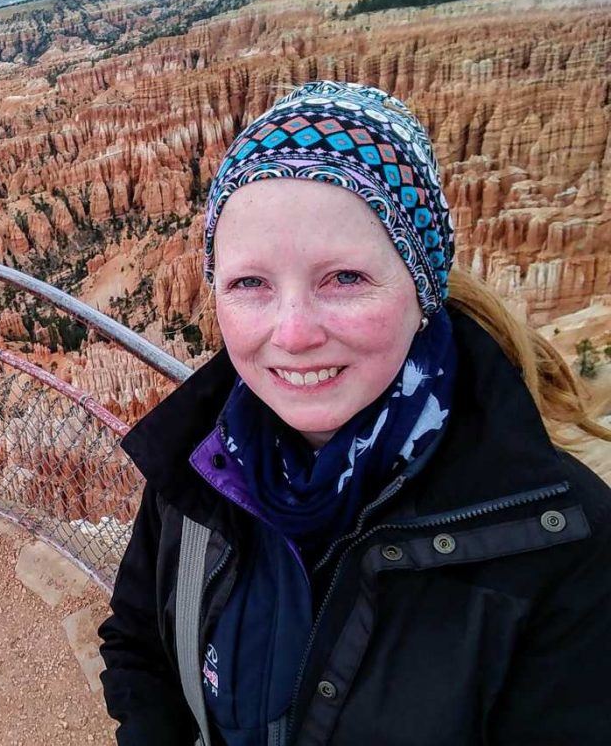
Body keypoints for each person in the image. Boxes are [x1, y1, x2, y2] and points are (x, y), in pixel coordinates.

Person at [97, 80, 611, 746]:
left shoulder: (559, 541)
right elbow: (137, 642)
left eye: (344, 279)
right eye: (250, 284)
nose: (294, 333)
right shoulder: (201, 459)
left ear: (420, 286)